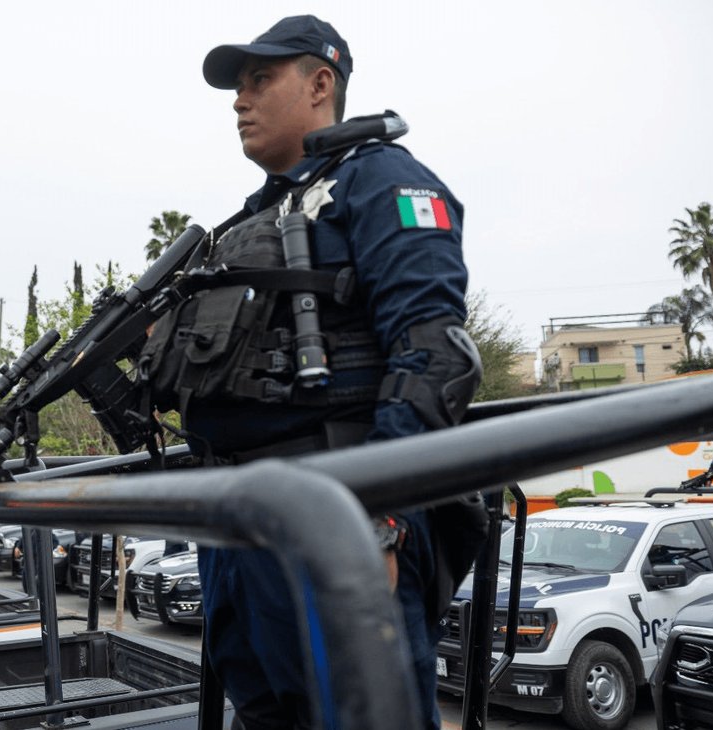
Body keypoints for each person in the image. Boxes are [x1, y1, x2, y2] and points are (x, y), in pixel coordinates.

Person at [138, 16, 482, 729]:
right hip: (238, 522)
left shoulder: (381, 178)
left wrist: (376, 521)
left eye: (260, 80)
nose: (240, 100)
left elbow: (437, 355)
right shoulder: (248, 220)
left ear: (320, 83)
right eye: (238, 87)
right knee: (264, 712)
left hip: (336, 513)